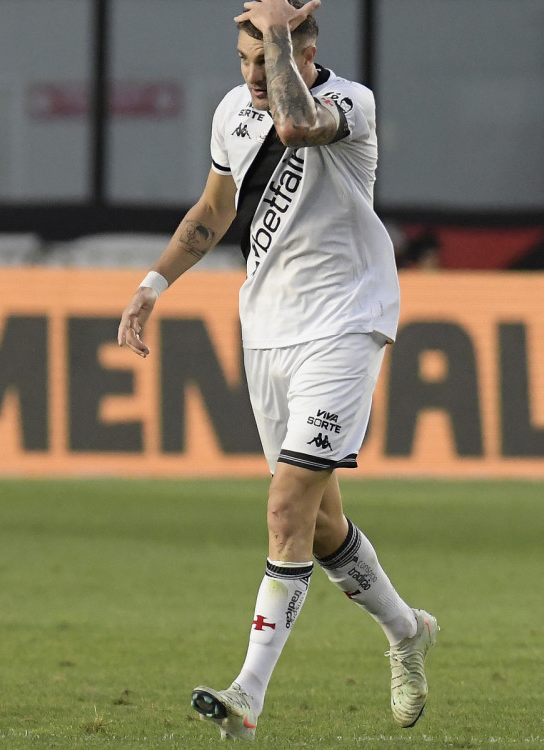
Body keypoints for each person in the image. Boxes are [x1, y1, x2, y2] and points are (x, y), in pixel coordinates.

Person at [116, 0, 438, 740]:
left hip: (347, 323)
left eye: (266, 60)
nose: (253, 76)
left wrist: (282, 44)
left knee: (287, 507)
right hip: (267, 332)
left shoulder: (348, 103)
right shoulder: (233, 111)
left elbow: (295, 128)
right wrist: (152, 284)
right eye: (244, 60)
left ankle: (247, 693)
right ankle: (406, 631)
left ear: (302, 48)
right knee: (320, 525)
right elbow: (214, 207)